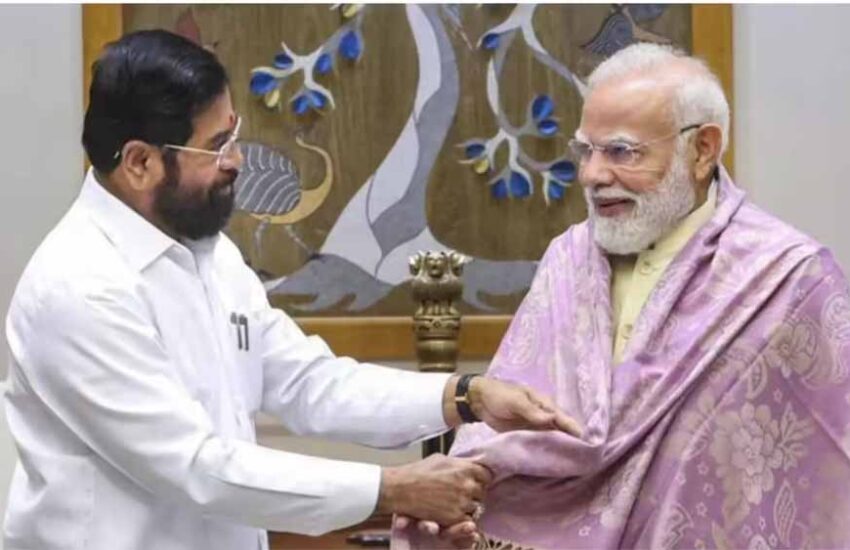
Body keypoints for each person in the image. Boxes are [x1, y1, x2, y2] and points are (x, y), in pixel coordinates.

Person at [2, 30, 582, 550]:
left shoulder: (209, 255)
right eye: (216, 144)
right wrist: (392, 489)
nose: (237, 160)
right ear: (139, 162)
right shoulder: (79, 288)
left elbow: (306, 382)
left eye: (234, 134)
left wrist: (466, 396)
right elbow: (195, 467)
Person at [396, 43, 850, 549]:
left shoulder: (790, 278)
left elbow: (831, 457)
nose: (592, 175)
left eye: (621, 151)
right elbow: (513, 409)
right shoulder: (568, 258)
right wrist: (462, 490)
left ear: (702, 150)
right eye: (585, 151)